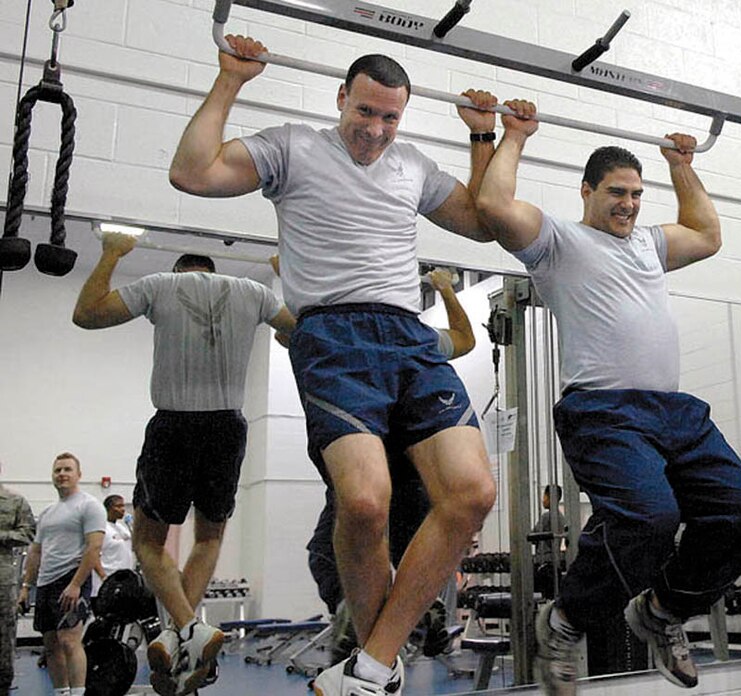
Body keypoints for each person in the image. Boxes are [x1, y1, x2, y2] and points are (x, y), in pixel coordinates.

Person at [169, 35, 497, 696]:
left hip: (408, 332)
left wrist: (485, 139)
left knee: (473, 494)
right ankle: (378, 663)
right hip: (333, 333)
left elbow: (481, 222)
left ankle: (374, 664)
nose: (375, 130)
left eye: (390, 118)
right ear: (341, 97)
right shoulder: (292, 146)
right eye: (366, 112)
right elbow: (193, 173)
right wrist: (231, 80)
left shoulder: (413, 166)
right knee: (365, 503)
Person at [476, 101, 741, 694]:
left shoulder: (648, 245)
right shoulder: (556, 241)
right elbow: (491, 205)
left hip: (674, 412)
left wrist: (681, 166)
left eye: (637, 194)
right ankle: (564, 623)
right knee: (651, 518)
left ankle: (661, 611)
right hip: (603, 410)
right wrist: (514, 135)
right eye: (617, 192)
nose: (630, 205)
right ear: (587, 190)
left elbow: (709, 235)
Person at [71, 236, 295, 696]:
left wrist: (113, 252)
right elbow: (298, 336)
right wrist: (287, 275)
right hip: (229, 426)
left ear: (180, 270)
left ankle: (188, 625)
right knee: (210, 535)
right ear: (211, 269)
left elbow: (87, 314)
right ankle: (179, 636)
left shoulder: (161, 284)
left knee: (147, 541)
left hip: (174, 424)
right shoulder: (254, 292)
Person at [307, 269, 474, 661]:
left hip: (363, 466)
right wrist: (446, 290)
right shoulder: (419, 341)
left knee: (328, 552)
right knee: (406, 551)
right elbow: (465, 339)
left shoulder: (349, 335)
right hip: (407, 474)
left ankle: (362, 611)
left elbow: (289, 331)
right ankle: (421, 609)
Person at [18, 453, 106, 696]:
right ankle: (61, 693)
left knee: (69, 640)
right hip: (46, 583)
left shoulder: (89, 505)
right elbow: (35, 552)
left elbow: (94, 548)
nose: (62, 474)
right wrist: (27, 586)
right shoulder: (47, 513)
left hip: (72, 579)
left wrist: (76, 584)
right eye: (58, 470)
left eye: (67, 469)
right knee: (51, 646)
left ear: (79, 474)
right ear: (52, 476)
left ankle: (78, 693)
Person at [0, 462, 35, 696]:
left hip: (3, 580)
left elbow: (28, 533)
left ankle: (3, 685)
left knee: (3, 633)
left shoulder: (14, 501)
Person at [91, 495, 134, 597]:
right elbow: (94, 555)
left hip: (123, 580)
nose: (123, 509)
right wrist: (104, 577)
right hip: (106, 579)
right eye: (118, 506)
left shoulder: (122, 527)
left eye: (123, 506)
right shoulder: (101, 528)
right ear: (108, 508)